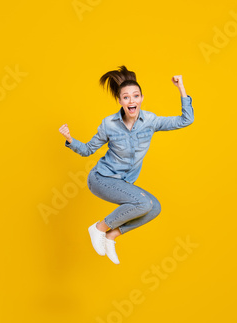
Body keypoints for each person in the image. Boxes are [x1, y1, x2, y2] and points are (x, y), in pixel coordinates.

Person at [59, 66, 194, 264]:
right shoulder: (109, 124)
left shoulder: (150, 121)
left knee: (154, 207)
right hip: (101, 179)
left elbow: (186, 120)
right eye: (126, 97)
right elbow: (88, 149)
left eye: (135, 96)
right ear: (121, 101)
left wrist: (180, 87)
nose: (131, 100)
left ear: (141, 98)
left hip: (123, 182)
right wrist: (70, 140)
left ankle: (112, 236)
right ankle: (99, 228)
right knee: (143, 203)